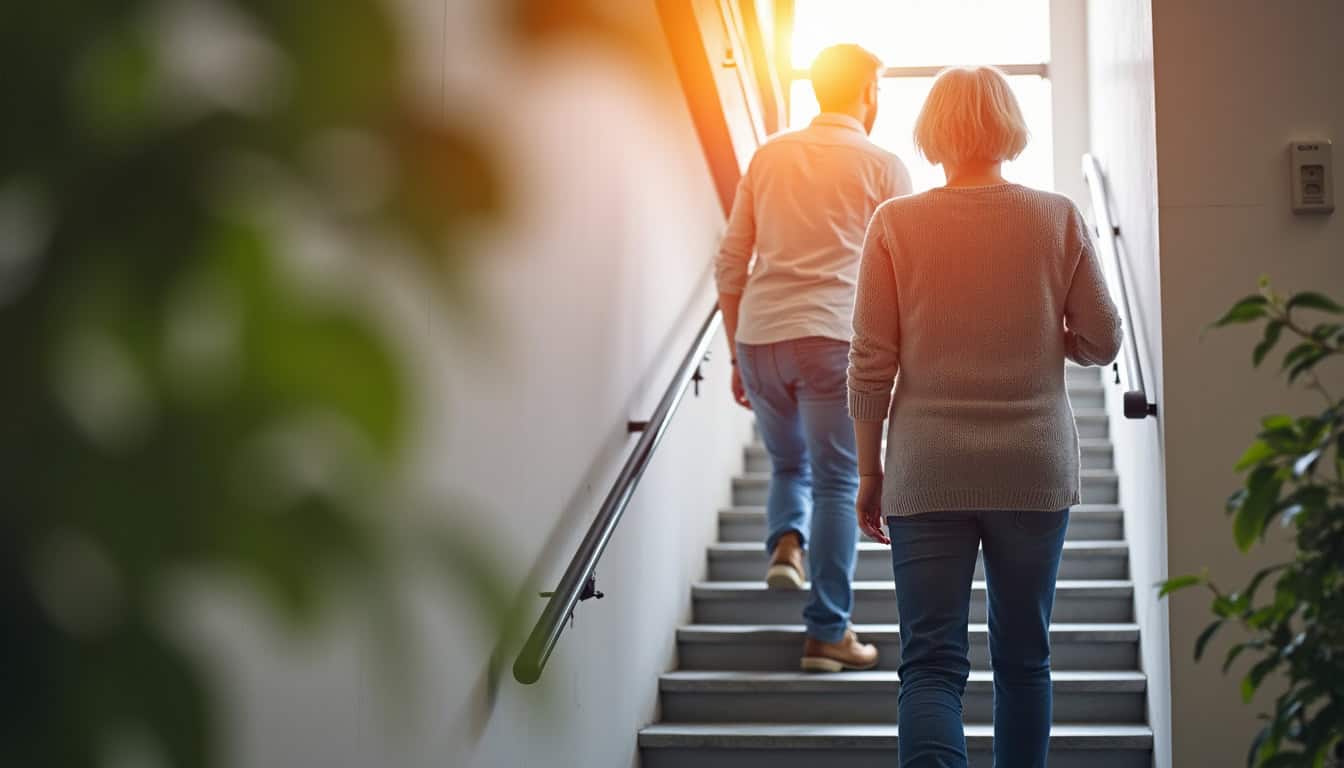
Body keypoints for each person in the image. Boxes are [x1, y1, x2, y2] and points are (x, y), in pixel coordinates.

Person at [846, 66, 1122, 767]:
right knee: (1025, 661)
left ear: (934, 132)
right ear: (1010, 126)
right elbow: (1103, 338)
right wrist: (1041, 333)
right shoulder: (1056, 216)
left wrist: (870, 471)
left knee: (932, 665)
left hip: (927, 468)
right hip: (1033, 467)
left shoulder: (895, 223)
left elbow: (870, 362)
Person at [715, 43, 912, 672]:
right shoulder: (883, 165)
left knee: (789, 465)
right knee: (835, 481)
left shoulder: (769, 156)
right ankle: (827, 632)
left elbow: (730, 262)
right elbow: (906, 276)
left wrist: (735, 356)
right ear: (868, 91)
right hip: (832, 336)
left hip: (760, 336)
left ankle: (786, 543)